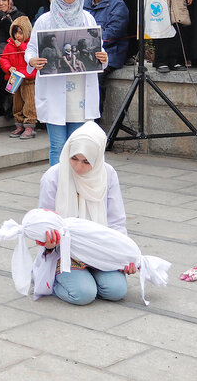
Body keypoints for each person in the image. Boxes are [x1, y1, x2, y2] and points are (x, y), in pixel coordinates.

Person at [35, 121, 134, 305]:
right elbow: (43, 221)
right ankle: (53, 282)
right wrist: (48, 242)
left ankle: (90, 275)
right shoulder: (54, 176)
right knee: (84, 294)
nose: (78, 167)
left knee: (117, 291)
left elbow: (116, 220)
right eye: (74, 159)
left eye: (86, 161)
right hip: (64, 253)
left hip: (100, 249)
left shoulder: (108, 174)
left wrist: (124, 255)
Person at [27, 0, 108, 164]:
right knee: (58, 146)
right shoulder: (45, 20)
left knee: (77, 147)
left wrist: (103, 57)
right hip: (55, 91)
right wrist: (32, 61)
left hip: (79, 94)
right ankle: (57, 187)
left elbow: (99, 48)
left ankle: (75, 188)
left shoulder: (87, 18)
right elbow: (31, 49)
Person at [83, 0, 129, 106]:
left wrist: (90, 43)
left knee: (95, 77)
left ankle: (95, 118)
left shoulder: (117, 4)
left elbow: (113, 32)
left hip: (111, 52)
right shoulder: (83, 4)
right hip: (87, 51)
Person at [1, 15, 38, 138]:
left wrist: (20, 46)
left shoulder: (30, 44)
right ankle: (19, 124)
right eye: (15, 32)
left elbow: (29, 54)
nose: (17, 36)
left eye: (21, 33)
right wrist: (8, 67)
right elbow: (3, 58)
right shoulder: (9, 44)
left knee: (29, 102)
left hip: (28, 79)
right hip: (15, 78)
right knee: (17, 103)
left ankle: (29, 125)